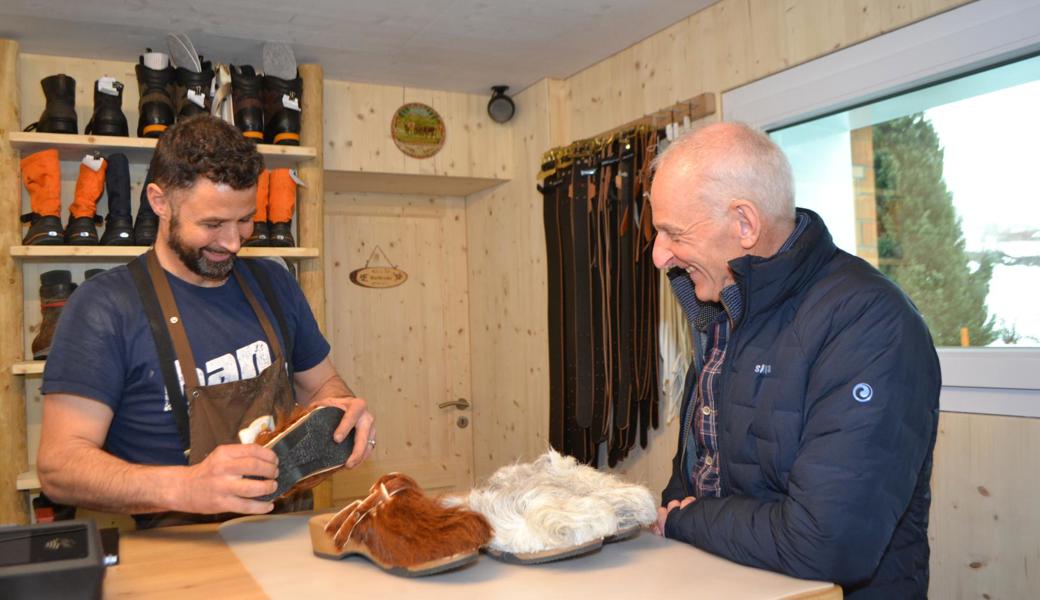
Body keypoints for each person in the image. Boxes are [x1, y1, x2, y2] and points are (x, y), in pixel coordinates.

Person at [37, 115, 375, 527]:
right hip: (176, 556)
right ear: (160, 202)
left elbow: (321, 383)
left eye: (245, 219)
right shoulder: (104, 307)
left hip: (284, 535)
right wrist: (186, 486)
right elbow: (59, 467)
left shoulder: (274, 284)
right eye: (213, 224)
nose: (233, 242)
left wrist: (339, 411)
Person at [647, 122, 940, 598]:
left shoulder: (869, 321)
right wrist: (679, 518)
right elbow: (695, 476)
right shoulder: (721, 310)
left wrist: (683, 520)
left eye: (672, 233)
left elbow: (828, 543)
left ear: (745, 224)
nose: (660, 255)